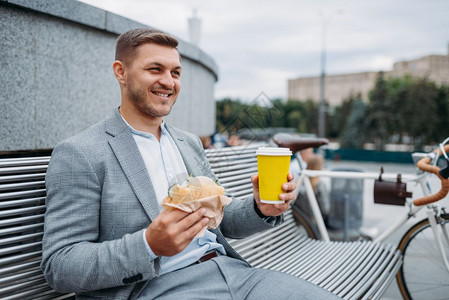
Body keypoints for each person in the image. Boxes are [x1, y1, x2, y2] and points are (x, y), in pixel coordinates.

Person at [41, 28, 339, 299]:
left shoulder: (189, 143)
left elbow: (219, 219)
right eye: (155, 69)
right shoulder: (81, 152)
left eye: (176, 72)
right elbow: (61, 265)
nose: (168, 82)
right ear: (121, 72)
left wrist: (261, 207)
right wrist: (148, 244)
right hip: (155, 288)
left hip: (233, 273)